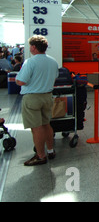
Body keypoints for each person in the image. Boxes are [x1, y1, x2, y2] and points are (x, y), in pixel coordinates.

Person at [15, 35, 59, 166]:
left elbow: (21, 81)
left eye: (30, 46)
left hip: (32, 98)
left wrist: (17, 80)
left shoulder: (30, 62)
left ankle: (40, 156)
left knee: (36, 128)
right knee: (46, 124)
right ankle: (50, 151)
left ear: (34, 47)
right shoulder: (53, 61)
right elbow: (55, 77)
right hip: (47, 97)